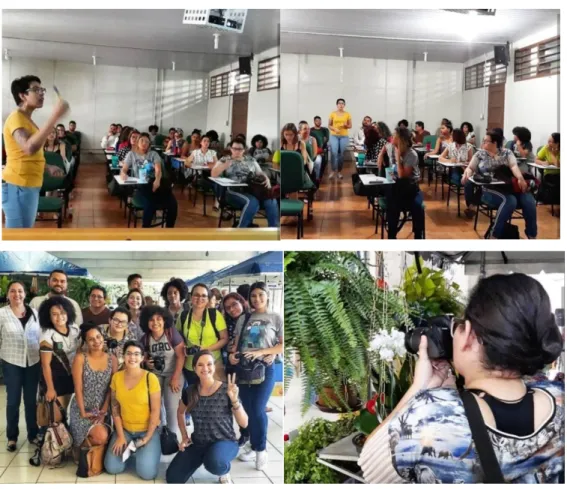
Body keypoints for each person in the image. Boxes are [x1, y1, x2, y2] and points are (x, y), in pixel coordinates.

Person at [359, 273, 564, 484]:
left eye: (458, 325)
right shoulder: (559, 399)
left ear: (469, 336)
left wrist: (418, 388)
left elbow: (370, 468)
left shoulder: (429, 417)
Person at [166, 352, 248, 484]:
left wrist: (234, 401)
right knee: (173, 478)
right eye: (200, 365)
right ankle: (205, 457)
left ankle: (224, 470)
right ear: (194, 368)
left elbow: (244, 423)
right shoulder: (190, 391)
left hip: (225, 441)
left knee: (214, 462)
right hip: (198, 442)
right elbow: (180, 412)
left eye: (209, 364)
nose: (205, 368)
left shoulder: (227, 389)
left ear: (214, 366)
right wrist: (184, 437)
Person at [229, 282, 283, 469]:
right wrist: (232, 355)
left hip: (264, 368)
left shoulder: (275, 317)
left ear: (267, 295)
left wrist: (263, 352)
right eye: (253, 296)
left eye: (261, 295)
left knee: (258, 408)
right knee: (248, 409)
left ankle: (261, 450)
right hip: (244, 369)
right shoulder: (244, 318)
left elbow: (282, 344)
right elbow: (236, 344)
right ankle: (253, 445)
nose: (257, 299)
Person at [3, 75, 68, 228]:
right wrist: (54, 117)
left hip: (29, 184)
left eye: (42, 90)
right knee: (18, 237)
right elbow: (29, 147)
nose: (41, 93)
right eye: (36, 90)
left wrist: (47, 167)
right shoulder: (16, 118)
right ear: (22, 95)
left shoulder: (28, 121)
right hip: (17, 185)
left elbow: (31, 153)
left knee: (25, 232)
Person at [461, 130, 536, 239]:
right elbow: (471, 167)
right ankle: (494, 235)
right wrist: (467, 172)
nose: (483, 143)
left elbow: (514, 166)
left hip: (508, 187)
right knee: (510, 201)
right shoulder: (480, 154)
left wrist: (520, 178)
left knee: (529, 200)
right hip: (489, 189)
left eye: (486, 141)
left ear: (495, 143)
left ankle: (532, 236)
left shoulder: (507, 153)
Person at [104, 340, 161, 481]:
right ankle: (132, 449)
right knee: (112, 468)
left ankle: (146, 450)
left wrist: (146, 438)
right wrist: (121, 436)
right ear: (124, 356)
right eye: (129, 354)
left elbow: (155, 411)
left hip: (147, 431)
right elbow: (115, 408)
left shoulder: (151, 378)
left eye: (136, 354)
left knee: (147, 474)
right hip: (126, 430)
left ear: (142, 358)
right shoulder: (117, 377)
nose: (132, 357)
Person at [0, 281, 41, 451]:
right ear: (8, 294)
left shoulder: (34, 313)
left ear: (25, 294)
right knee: (13, 401)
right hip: (11, 362)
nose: (17, 294)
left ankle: (33, 434)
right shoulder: (2, 314)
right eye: (13, 291)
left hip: (33, 361)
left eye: (20, 291)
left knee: (31, 400)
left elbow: (40, 335)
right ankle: (12, 437)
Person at [69, 323, 117, 459]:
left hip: (101, 409)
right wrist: (83, 412)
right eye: (91, 339)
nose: (96, 341)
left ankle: (90, 449)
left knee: (101, 437)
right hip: (81, 409)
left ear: (103, 337)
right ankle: (79, 446)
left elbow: (111, 389)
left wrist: (104, 411)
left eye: (98, 337)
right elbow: (77, 388)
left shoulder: (111, 359)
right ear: (85, 342)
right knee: (99, 436)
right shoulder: (80, 358)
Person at [211, 138, 279, 228]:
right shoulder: (225, 159)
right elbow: (213, 174)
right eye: (234, 149)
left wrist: (266, 178)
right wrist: (224, 166)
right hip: (232, 191)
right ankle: (240, 230)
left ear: (244, 150)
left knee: (271, 200)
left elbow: (260, 172)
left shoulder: (250, 159)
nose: (237, 152)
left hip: (252, 189)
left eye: (240, 149)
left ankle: (273, 230)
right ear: (230, 149)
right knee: (252, 202)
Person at [140, 306, 185, 439]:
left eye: (159, 319)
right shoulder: (146, 338)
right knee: (155, 405)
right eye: (151, 320)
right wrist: (146, 362)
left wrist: (176, 377)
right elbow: (143, 357)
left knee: (171, 406)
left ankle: (172, 437)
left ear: (164, 320)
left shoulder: (171, 333)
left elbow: (181, 355)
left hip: (173, 372)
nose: (155, 322)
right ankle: (158, 433)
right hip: (155, 374)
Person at [121, 132, 178, 228]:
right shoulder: (131, 154)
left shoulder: (153, 154)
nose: (144, 143)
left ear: (149, 144)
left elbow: (158, 169)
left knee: (173, 204)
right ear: (138, 142)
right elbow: (124, 168)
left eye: (147, 141)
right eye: (142, 140)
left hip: (156, 183)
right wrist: (123, 173)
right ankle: (145, 228)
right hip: (141, 184)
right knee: (151, 201)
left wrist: (157, 180)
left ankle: (169, 230)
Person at [176, 283, 228, 386]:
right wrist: (183, 347)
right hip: (191, 366)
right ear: (191, 297)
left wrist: (206, 349)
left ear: (208, 298)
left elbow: (224, 339)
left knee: (215, 398)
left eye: (203, 295)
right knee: (194, 398)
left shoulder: (214, 315)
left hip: (213, 364)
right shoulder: (183, 316)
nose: (200, 298)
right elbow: (176, 338)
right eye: (196, 295)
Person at [38, 296, 80, 408]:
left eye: (62, 313)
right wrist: (50, 388)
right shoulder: (47, 335)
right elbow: (45, 365)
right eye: (54, 314)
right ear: (48, 316)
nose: (59, 317)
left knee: (73, 411)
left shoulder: (75, 329)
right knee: (57, 416)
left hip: (75, 376)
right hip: (56, 379)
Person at [382, 127, 424, 239]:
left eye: (395, 136)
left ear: (401, 140)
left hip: (410, 188)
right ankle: (392, 235)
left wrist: (398, 158)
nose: (392, 137)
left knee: (417, 206)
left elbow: (402, 175)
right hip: (396, 187)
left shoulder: (412, 154)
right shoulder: (392, 148)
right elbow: (391, 172)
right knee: (392, 205)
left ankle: (418, 235)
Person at [328, 98, 352, 180]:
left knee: (341, 154)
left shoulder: (347, 114)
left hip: (344, 136)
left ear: (344, 105)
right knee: (334, 152)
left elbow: (350, 126)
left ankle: (339, 172)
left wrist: (346, 126)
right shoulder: (332, 114)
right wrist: (334, 129)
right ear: (337, 105)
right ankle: (333, 170)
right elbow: (329, 125)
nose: (341, 105)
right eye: (339, 103)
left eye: (342, 103)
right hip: (334, 135)